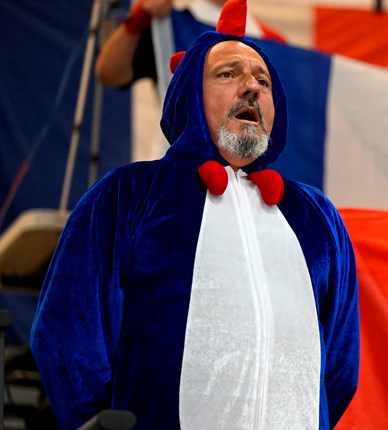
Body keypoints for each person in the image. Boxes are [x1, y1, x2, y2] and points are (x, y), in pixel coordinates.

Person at [30, 1, 358, 428]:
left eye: (263, 80)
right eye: (228, 74)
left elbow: (339, 364)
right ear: (187, 97)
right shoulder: (127, 195)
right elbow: (67, 335)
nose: (251, 88)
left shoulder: (317, 217)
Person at [96, 0, 286, 88]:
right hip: (180, 164)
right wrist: (139, 18)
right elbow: (109, 73)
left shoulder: (273, 43)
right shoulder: (169, 28)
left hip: (250, 165)